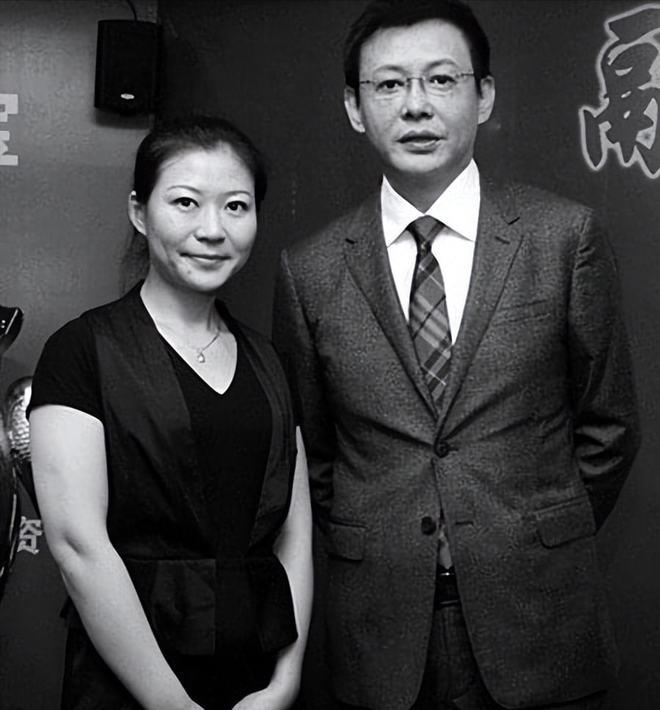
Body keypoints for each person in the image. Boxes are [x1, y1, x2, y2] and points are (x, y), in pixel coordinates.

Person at [272, 1, 641, 709]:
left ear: (485, 95)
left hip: (540, 615)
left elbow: (610, 425)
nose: (416, 105)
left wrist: (533, 534)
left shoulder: (563, 238)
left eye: (441, 79)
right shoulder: (310, 270)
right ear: (354, 107)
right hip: (382, 627)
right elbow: (313, 453)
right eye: (388, 85)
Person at [29, 116, 312, 710]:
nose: (212, 229)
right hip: (128, 685)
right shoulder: (83, 351)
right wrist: (173, 705)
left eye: (236, 207)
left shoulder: (268, 360)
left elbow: (294, 536)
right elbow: (79, 547)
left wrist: (283, 684)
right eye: (185, 202)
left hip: (255, 683)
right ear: (139, 211)